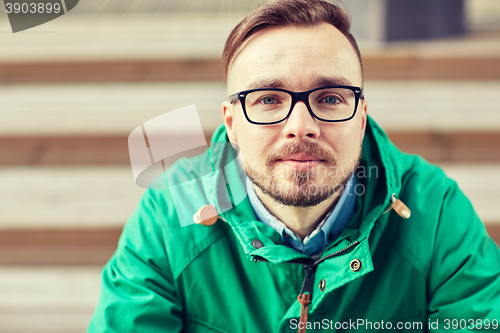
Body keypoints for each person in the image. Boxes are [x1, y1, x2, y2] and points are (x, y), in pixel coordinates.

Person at [88, 1, 500, 332]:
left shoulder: (436, 213)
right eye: (268, 99)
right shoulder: (168, 216)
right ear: (231, 124)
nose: (300, 127)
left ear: (360, 119)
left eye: (330, 98)